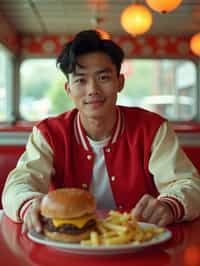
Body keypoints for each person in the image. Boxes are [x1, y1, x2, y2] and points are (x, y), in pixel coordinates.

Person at [2, 30, 200, 234]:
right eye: (80, 80)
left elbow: (188, 183)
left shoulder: (153, 128)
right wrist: (30, 206)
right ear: (68, 89)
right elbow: (19, 183)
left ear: (120, 82)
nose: (92, 89)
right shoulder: (48, 133)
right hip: (68, 241)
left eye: (103, 77)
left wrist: (169, 205)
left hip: (139, 238)